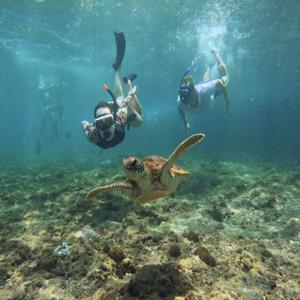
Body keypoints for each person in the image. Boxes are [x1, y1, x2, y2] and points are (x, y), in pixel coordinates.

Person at [82, 32, 143, 149]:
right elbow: (84, 123)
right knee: (120, 98)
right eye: (100, 124)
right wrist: (90, 126)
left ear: (114, 118)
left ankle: (127, 82)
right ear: (96, 125)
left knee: (140, 120)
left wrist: (131, 91)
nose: (105, 129)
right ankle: (117, 70)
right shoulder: (92, 135)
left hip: (117, 107)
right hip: (114, 107)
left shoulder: (119, 118)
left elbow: (126, 101)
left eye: (107, 122)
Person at [177, 49, 230, 134]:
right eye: (182, 94)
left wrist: (227, 100)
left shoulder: (205, 90)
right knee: (206, 81)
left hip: (211, 93)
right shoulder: (182, 100)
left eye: (187, 94)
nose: (185, 99)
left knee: (226, 77)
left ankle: (216, 53)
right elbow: (180, 107)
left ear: (194, 91)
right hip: (208, 96)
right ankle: (208, 67)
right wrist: (186, 122)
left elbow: (219, 82)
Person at [35, 75, 71, 155]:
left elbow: (54, 105)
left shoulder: (47, 91)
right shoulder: (47, 91)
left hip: (48, 108)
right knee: (50, 121)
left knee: (47, 123)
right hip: (48, 109)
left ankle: (52, 135)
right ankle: (54, 134)